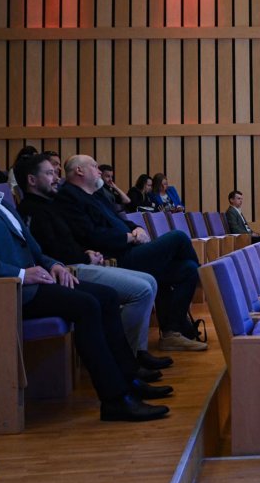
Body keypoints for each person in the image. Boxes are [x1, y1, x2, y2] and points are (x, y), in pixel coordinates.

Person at [0, 137, 171, 422]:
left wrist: (55, 264)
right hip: (3, 292)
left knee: (107, 296)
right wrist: (21, 274)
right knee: (86, 305)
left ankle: (129, 380)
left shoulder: (2, 201)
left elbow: (34, 248)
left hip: (34, 281)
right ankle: (115, 399)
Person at [15, 154, 172, 372]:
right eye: (50, 173)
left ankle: (137, 353)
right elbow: (46, 250)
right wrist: (86, 255)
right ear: (32, 180)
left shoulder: (51, 204)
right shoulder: (33, 210)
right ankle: (128, 359)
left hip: (79, 261)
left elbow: (67, 241)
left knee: (152, 281)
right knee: (144, 288)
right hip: (68, 269)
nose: (56, 177)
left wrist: (86, 252)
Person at [55, 156, 206, 351]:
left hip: (131, 249)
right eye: (94, 166)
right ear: (79, 171)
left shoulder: (97, 195)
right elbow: (91, 236)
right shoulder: (69, 198)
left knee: (188, 269)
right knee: (178, 237)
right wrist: (129, 238)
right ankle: (206, 283)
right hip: (115, 259)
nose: (99, 171)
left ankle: (171, 333)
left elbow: (120, 220)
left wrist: (137, 228)